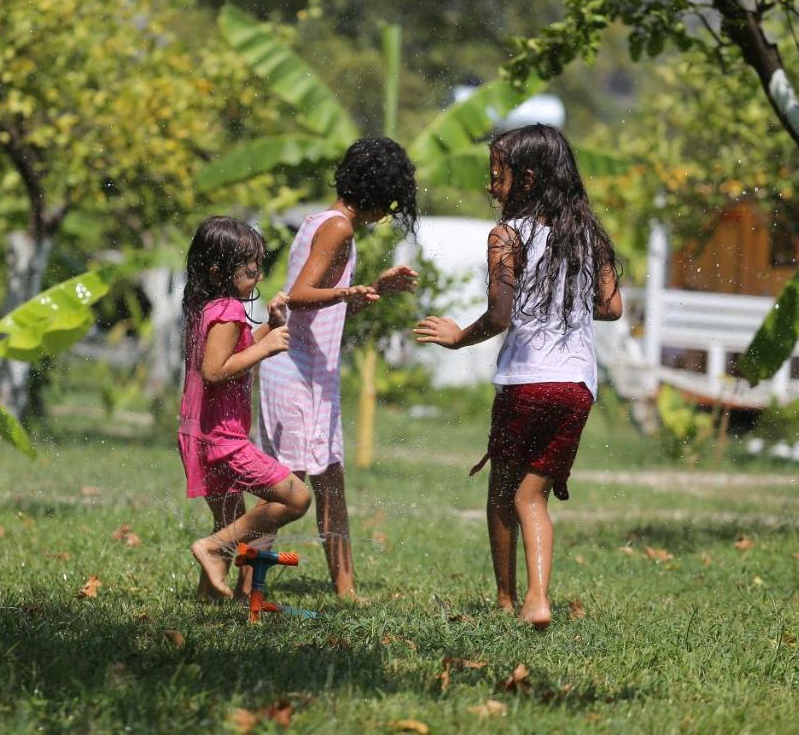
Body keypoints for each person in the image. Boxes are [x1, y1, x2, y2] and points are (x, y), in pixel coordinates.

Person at [413, 125, 622, 629]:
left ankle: (511, 601)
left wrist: (459, 336)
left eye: (496, 175)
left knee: (505, 491)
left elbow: (500, 315)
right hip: (576, 388)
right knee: (535, 495)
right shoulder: (590, 236)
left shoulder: (507, 236)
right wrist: (563, 300)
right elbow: (611, 307)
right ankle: (538, 596)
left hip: (527, 382)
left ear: (525, 179)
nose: (490, 185)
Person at [259, 137, 420, 598]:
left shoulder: (320, 220)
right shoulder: (338, 229)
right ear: (374, 193)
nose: (385, 214)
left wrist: (371, 291)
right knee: (286, 491)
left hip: (307, 370)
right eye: (387, 204)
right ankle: (235, 570)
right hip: (297, 373)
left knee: (330, 483)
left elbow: (323, 309)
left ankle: (345, 590)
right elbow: (299, 296)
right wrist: (347, 293)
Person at [180, 216, 313, 600]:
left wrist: (269, 328)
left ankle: (210, 597)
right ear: (217, 269)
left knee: (231, 519)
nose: (257, 275)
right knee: (296, 498)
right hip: (224, 437)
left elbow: (231, 351)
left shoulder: (209, 307)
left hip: (200, 431)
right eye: (250, 268)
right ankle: (210, 548)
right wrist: (265, 349)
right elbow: (215, 370)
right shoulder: (228, 311)